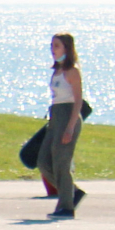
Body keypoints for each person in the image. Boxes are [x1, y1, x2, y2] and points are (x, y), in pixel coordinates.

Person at [43, 32, 85, 219]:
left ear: (67, 48)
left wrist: (70, 126)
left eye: (57, 46)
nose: (53, 50)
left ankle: (66, 206)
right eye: (52, 46)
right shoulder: (57, 71)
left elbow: (78, 101)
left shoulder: (72, 71)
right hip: (55, 115)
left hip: (68, 115)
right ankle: (72, 191)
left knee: (61, 161)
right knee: (44, 161)